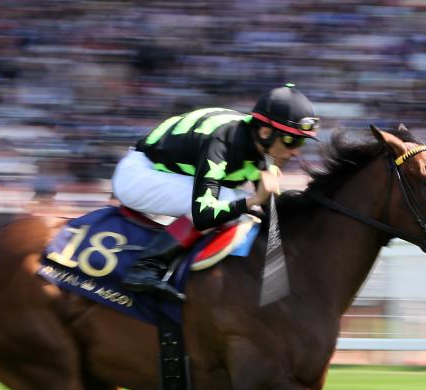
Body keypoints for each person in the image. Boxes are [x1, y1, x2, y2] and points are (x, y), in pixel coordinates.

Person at [113, 84, 319, 302]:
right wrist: (255, 199)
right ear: (266, 132)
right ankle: (146, 266)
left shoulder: (257, 140)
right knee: (232, 201)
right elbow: (204, 214)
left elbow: (273, 209)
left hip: (164, 172)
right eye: (291, 140)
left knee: (244, 204)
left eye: (302, 141)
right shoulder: (222, 144)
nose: (296, 151)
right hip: (138, 177)